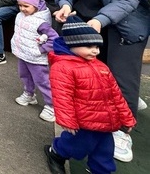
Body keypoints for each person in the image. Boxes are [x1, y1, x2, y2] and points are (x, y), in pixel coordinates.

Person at [54, 0, 149, 162]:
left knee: (121, 72)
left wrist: (100, 20)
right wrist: (64, 3)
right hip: (85, 14)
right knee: (90, 67)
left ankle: (121, 129)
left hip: (125, 20)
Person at [44, 16, 136, 174]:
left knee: (105, 153)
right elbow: (62, 96)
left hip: (107, 123)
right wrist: (68, 121)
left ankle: (101, 170)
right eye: (89, 46)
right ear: (72, 44)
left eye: (97, 46)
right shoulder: (64, 67)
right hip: (83, 122)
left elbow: (116, 95)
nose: (96, 50)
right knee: (75, 145)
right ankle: (57, 153)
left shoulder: (100, 66)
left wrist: (126, 118)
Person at [10, 0, 59, 122]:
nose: (22, 9)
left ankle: (52, 106)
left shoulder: (41, 22)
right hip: (23, 53)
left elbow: (54, 38)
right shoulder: (21, 15)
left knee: (42, 81)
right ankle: (29, 94)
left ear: (35, 5)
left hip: (36, 57)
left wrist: (41, 50)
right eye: (20, 5)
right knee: (24, 75)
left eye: (26, 6)